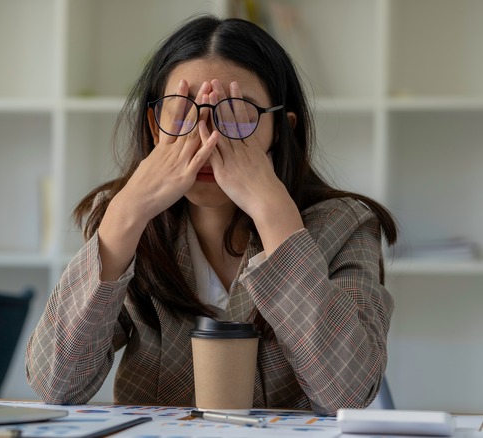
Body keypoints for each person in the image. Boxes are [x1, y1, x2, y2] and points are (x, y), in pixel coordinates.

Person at [25, 15, 397, 415]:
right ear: (154, 127)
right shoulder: (127, 222)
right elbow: (55, 385)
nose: (206, 137)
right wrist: (125, 215)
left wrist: (276, 218)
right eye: (182, 111)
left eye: (236, 114)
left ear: (281, 130)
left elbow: (348, 394)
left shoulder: (346, 225)